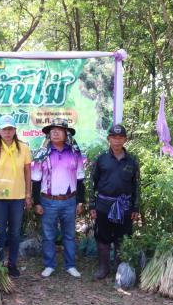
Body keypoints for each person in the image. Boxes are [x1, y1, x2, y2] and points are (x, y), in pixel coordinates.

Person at [32, 118, 85, 278]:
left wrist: (80, 201)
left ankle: (70, 265)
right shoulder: (41, 154)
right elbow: (36, 179)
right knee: (48, 235)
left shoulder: (75, 153)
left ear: (66, 133)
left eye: (59, 130)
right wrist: (36, 202)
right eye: (52, 130)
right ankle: (49, 265)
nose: (54, 132)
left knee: (69, 235)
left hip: (69, 200)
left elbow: (80, 178)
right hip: (48, 201)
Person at [89, 124, 140, 279]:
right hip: (104, 205)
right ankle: (103, 268)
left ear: (125, 139)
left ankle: (119, 268)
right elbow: (92, 183)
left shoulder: (132, 161)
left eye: (120, 138)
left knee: (122, 238)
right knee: (102, 237)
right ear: (108, 139)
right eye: (113, 137)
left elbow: (137, 186)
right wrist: (92, 205)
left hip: (124, 206)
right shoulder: (101, 159)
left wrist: (135, 208)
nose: (117, 141)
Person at [0, 115, 32, 277]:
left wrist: (28, 195)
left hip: (18, 197)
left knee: (15, 232)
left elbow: (27, 172)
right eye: (4, 129)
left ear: (15, 130)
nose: (7, 132)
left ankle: (12, 263)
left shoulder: (23, 148)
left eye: (10, 129)